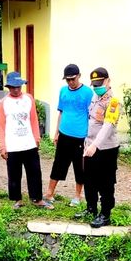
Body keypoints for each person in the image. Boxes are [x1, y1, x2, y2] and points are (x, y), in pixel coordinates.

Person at [0, 71, 53, 210]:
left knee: (34, 171)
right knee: (14, 174)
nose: (16, 90)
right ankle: (17, 199)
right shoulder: (3, 103)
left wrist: (37, 137)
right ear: (8, 87)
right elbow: (1, 126)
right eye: (14, 87)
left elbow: (33, 119)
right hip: (12, 145)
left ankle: (37, 198)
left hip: (29, 143)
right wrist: (2, 146)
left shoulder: (29, 99)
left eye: (19, 86)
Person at [44, 64, 94, 207]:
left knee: (79, 167)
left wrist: (89, 139)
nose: (70, 82)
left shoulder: (87, 93)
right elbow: (61, 112)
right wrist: (56, 132)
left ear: (79, 76)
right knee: (58, 164)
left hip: (80, 137)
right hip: (64, 134)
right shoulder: (63, 91)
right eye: (68, 80)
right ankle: (49, 193)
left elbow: (90, 117)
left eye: (73, 79)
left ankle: (77, 196)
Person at [78, 67, 121, 228]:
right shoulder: (95, 97)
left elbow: (108, 126)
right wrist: (87, 142)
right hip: (89, 146)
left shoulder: (114, 103)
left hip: (106, 149)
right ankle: (91, 208)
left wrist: (95, 145)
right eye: (94, 84)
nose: (97, 87)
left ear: (108, 81)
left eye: (100, 83)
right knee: (89, 180)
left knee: (106, 183)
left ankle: (105, 214)